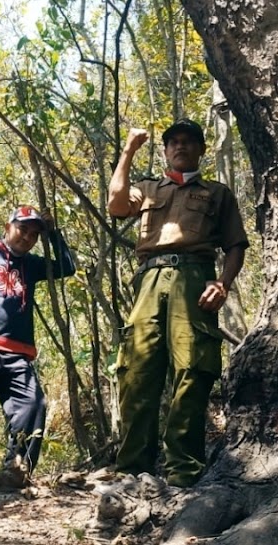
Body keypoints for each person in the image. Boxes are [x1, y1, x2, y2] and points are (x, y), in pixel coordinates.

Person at [108, 119, 249, 487]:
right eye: (173, 142)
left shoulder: (217, 194)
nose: (180, 147)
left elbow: (235, 245)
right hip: (149, 280)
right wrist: (128, 151)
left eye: (189, 142)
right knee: (137, 371)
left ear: (201, 150)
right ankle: (132, 469)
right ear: (165, 150)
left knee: (193, 369)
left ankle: (183, 469)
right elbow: (116, 204)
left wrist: (223, 282)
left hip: (194, 279)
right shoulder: (149, 189)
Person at [0, 205, 75, 489]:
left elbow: (68, 266)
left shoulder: (32, 264)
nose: (26, 237)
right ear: (7, 226)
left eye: (33, 234)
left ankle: (16, 471)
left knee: (32, 404)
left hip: (17, 353)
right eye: (22, 229)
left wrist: (54, 234)